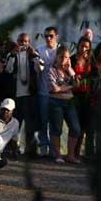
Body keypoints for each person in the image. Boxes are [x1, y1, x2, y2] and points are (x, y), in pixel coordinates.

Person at [4, 32, 41, 158]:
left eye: (25, 41)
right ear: (17, 42)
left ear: (29, 42)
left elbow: (40, 68)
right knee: (15, 123)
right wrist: (13, 54)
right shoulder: (12, 54)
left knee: (30, 123)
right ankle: (13, 149)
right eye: (20, 41)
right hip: (16, 94)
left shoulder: (33, 55)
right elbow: (8, 69)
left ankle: (31, 150)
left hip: (30, 95)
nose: (23, 44)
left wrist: (34, 54)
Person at [48, 45, 82, 164]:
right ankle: (58, 155)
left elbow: (78, 83)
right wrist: (70, 86)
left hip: (69, 102)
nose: (64, 59)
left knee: (76, 129)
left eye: (66, 57)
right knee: (56, 129)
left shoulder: (69, 70)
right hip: (55, 102)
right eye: (61, 56)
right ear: (57, 57)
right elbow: (54, 89)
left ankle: (70, 155)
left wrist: (70, 69)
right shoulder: (51, 70)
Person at [35, 26, 60, 157]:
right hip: (43, 91)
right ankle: (43, 147)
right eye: (46, 36)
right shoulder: (39, 50)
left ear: (57, 36)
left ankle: (54, 150)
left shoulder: (60, 50)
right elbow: (37, 70)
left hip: (58, 93)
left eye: (51, 35)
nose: (48, 38)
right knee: (43, 120)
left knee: (55, 122)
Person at [71, 36, 93, 158]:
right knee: (75, 124)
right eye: (82, 46)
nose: (83, 49)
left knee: (83, 125)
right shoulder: (72, 59)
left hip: (87, 96)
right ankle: (71, 152)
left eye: (86, 47)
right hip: (74, 95)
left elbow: (96, 76)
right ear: (78, 45)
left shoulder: (91, 61)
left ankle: (77, 152)